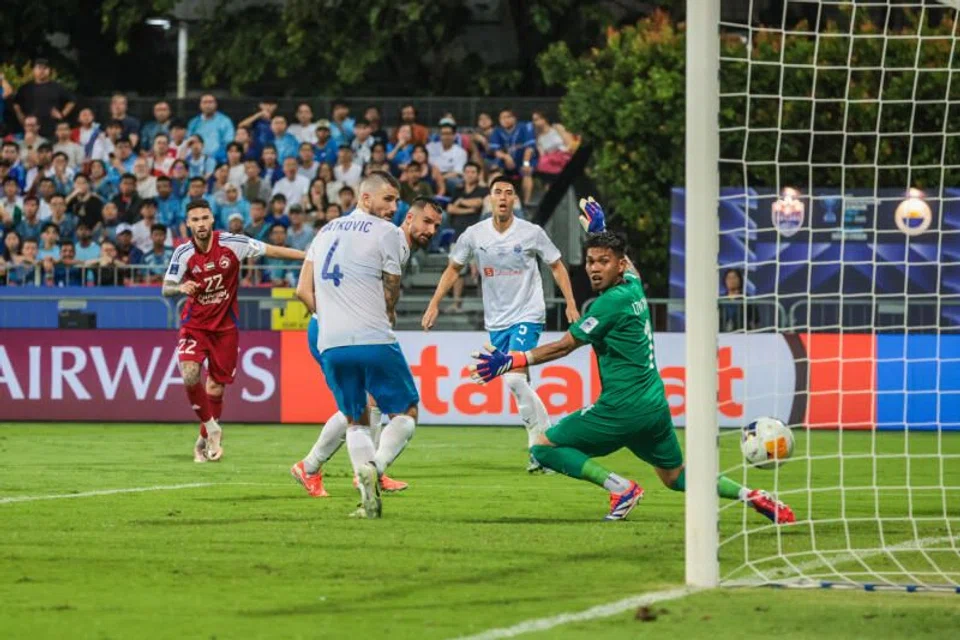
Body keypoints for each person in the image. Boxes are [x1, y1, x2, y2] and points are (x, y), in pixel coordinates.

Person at [467, 199, 797, 524]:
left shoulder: (607, 304)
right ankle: (753, 496)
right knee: (675, 477)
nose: (594, 268)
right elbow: (631, 270)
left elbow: (565, 346)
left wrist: (511, 360)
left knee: (543, 447)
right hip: (653, 406)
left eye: (604, 262)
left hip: (620, 408)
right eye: (591, 260)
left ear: (619, 264)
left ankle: (621, 488)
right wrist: (602, 231)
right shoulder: (633, 286)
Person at [423, 176, 580, 471]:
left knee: (514, 378)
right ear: (490, 199)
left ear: (515, 200)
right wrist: (434, 303)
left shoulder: (531, 233)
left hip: (528, 314)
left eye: (509, 193)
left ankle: (544, 446)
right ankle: (542, 450)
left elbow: (557, 265)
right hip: (496, 320)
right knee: (519, 384)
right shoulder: (474, 234)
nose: (504, 197)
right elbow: (453, 269)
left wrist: (571, 302)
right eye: (498, 192)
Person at [291, 196, 444, 500]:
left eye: (436, 225)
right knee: (363, 409)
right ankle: (330, 468)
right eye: (426, 221)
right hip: (340, 329)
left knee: (366, 406)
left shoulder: (374, 238)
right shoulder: (391, 239)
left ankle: (360, 471)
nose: (431, 229)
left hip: (339, 326)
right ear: (409, 218)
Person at [162, 200, 305, 462]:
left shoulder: (233, 243)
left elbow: (271, 250)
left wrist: (307, 256)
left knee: (215, 389)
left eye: (205, 218)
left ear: (212, 220)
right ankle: (213, 428)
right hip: (194, 326)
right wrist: (179, 288)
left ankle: (203, 439)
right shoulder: (183, 253)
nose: (201, 223)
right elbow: (166, 287)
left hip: (225, 330)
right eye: (195, 219)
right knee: (190, 374)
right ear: (188, 224)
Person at [12, 59, 75, 138]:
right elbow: (16, 104)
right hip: (31, 129)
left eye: (45, 68)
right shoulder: (26, 88)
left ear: (49, 71)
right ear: (34, 70)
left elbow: (72, 101)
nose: (42, 71)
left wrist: (62, 114)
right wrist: (21, 118)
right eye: (39, 68)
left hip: (52, 129)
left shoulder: (57, 87)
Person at [489, 109, 536, 205]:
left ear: (514, 118)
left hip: (521, 161)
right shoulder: (497, 131)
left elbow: (529, 148)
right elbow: (496, 151)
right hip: (505, 163)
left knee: (527, 174)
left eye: (508, 117)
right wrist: (506, 157)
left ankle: (526, 204)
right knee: (495, 175)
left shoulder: (525, 127)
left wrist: (525, 163)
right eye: (502, 118)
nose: (505, 120)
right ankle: (495, 203)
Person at [187, 95, 235, 160]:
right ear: (200, 105)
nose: (207, 105)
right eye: (205, 102)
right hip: (196, 159)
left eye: (210, 102)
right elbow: (188, 141)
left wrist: (216, 156)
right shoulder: (194, 122)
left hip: (218, 161)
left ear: (216, 104)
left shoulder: (225, 121)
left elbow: (228, 142)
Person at [426, 121, 468, 191]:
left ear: (454, 136)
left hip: (448, 176)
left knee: (457, 183)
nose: (446, 137)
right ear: (440, 135)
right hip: (430, 175)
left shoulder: (461, 152)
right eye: (443, 134)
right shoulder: (430, 147)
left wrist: (440, 178)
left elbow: (457, 172)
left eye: (449, 134)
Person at [720, 267, 760, 332]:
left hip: (742, 335)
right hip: (723, 334)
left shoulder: (747, 298)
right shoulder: (721, 300)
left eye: (734, 278)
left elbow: (755, 321)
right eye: (729, 278)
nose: (731, 281)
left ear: (740, 280)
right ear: (725, 281)